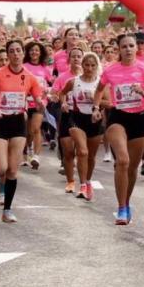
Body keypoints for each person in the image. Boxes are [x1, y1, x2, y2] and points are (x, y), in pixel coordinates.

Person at [94, 33, 144, 225]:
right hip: (118, 118)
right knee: (123, 161)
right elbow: (99, 90)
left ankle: (126, 202)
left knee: (132, 168)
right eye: (124, 46)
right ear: (118, 49)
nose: (128, 49)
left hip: (140, 119)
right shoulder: (110, 70)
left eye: (131, 46)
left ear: (137, 48)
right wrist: (95, 107)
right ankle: (121, 208)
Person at [0, 40, 45, 222]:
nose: (15, 54)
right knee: (1, 167)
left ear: (23, 53)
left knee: (13, 170)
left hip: (17, 123)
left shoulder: (30, 77)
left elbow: (38, 96)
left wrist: (39, 102)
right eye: (12, 51)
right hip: (0, 121)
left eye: (18, 51)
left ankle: (7, 210)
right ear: (8, 54)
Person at [59, 51, 104, 201]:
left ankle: (88, 181)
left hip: (94, 121)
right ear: (82, 65)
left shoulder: (101, 83)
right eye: (86, 65)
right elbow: (62, 93)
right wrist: (64, 102)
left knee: (91, 156)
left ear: (97, 66)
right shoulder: (74, 81)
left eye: (92, 65)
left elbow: (111, 103)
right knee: (82, 152)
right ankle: (83, 185)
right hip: (76, 119)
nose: (89, 68)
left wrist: (96, 100)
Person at [51, 47, 85, 194]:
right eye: (74, 57)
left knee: (82, 151)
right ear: (69, 60)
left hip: (84, 116)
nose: (76, 59)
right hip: (67, 114)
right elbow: (54, 93)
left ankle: (84, 183)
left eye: (79, 56)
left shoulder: (88, 76)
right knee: (68, 151)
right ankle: (71, 181)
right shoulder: (62, 77)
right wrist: (56, 98)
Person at [23, 40, 52, 169]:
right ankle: (28, 148)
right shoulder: (23, 66)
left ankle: (36, 156)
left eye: (37, 50)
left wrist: (47, 91)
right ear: (28, 52)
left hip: (39, 102)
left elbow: (51, 85)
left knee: (36, 128)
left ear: (41, 53)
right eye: (32, 50)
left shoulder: (45, 69)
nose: (34, 52)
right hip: (24, 102)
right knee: (28, 131)